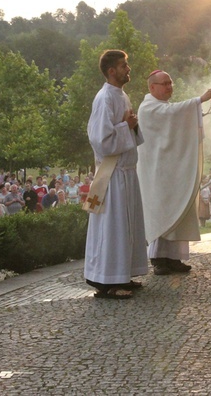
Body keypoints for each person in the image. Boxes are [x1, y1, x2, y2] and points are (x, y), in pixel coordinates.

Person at [137, 70, 211, 276]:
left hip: (172, 171)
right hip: (157, 174)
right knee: (163, 212)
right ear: (152, 87)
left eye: (170, 82)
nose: (169, 87)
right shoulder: (147, 108)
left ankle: (174, 258)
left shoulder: (164, 107)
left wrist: (197, 105)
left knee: (178, 210)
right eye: (164, 83)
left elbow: (174, 114)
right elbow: (172, 114)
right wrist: (200, 99)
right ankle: (158, 259)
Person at [83, 49, 148, 299]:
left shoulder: (122, 95)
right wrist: (127, 126)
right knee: (112, 229)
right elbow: (100, 140)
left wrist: (131, 124)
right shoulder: (104, 98)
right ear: (112, 71)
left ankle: (123, 274)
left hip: (126, 173)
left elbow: (129, 128)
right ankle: (106, 282)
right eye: (124, 65)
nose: (128, 69)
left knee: (127, 227)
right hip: (112, 175)